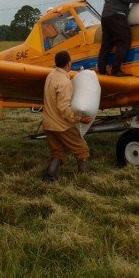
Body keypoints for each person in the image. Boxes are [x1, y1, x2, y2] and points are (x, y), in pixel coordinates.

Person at [41, 50, 94, 182]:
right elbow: (64, 109)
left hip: (48, 123)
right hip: (61, 125)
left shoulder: (50, 75)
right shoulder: (64, 82)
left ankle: (49, 177)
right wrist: (80, 119)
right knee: (82, 150)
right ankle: (84, 180)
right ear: (69, 63)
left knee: (57, 153)